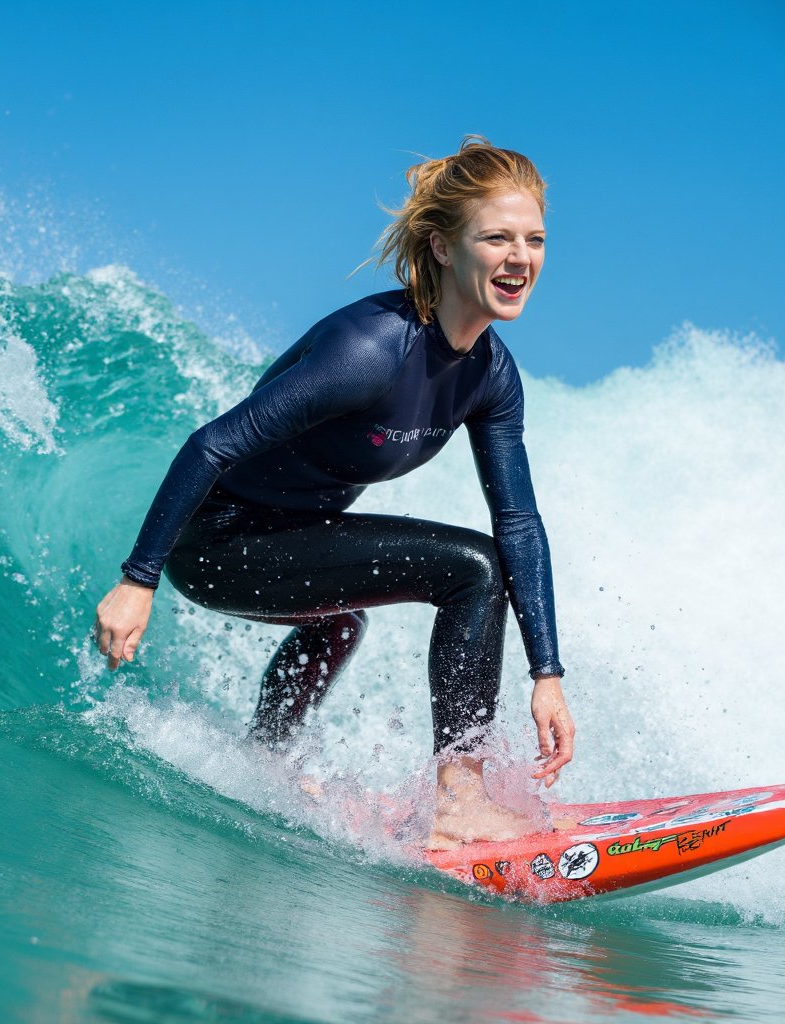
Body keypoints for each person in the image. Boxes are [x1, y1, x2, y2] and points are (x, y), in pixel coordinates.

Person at [95, 136, 575, 850]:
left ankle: (263, 761)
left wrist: (548, 673)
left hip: (292, 537)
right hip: (218, 542)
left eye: (533, 239)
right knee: (471, 571)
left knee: (340, 621)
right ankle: (460, 801)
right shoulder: (371, 349)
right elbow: (211, 445)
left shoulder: (491, 377)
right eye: (497, 237)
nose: (520, 258)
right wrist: (138, 581)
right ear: (444, 248)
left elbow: (520, 522)